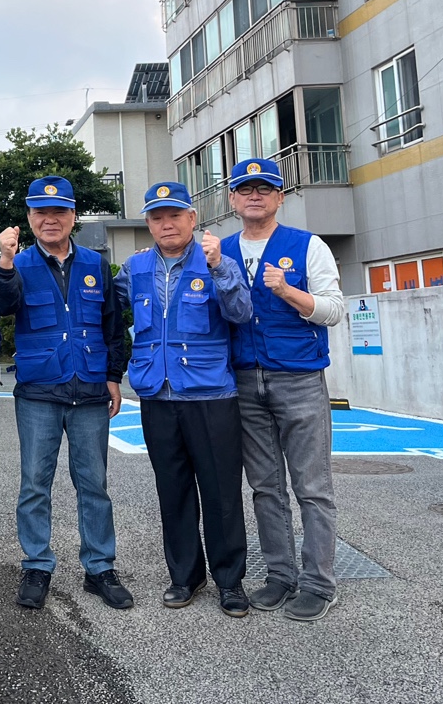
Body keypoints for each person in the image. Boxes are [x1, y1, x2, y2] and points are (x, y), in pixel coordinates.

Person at [0, 176, 133, 613]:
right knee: (35, 483)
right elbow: (1, 304)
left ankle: (99, 568)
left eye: (59, 212)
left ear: (73, 216)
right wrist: (6, 261)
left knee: (94, 485)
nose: (50, 220)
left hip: (90, 387)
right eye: (40, 213)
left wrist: (114, 376)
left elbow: (114, 324)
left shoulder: (94, 263)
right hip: (39, 390)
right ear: (30, 219)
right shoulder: (17, 263)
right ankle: (36, 564)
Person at [116, 182, 253, 617]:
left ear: (192, 219)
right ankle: (185, 576)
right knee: (172, 491)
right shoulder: (134, 268)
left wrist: (219, 271)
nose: (166, 224)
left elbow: (241, 313)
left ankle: (230, 581)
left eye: (174, 215)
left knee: (221, 492)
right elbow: (103, 312)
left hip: (210, 393)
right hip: (157, 393)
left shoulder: (216, 260)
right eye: (157, 217)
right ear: (149, 224)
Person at [221, 158, 346, 622]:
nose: (255, 195)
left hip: (299, 378)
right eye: (246, 188)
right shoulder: (222, 250)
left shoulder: (308, 246)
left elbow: (334, 310)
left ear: (279, 197)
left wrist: (290, 292)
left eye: (265, 188)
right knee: (265, 487)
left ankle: (319, 582)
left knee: (313, 486)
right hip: (244, 380)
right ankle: (280, 574)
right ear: (233, 199)